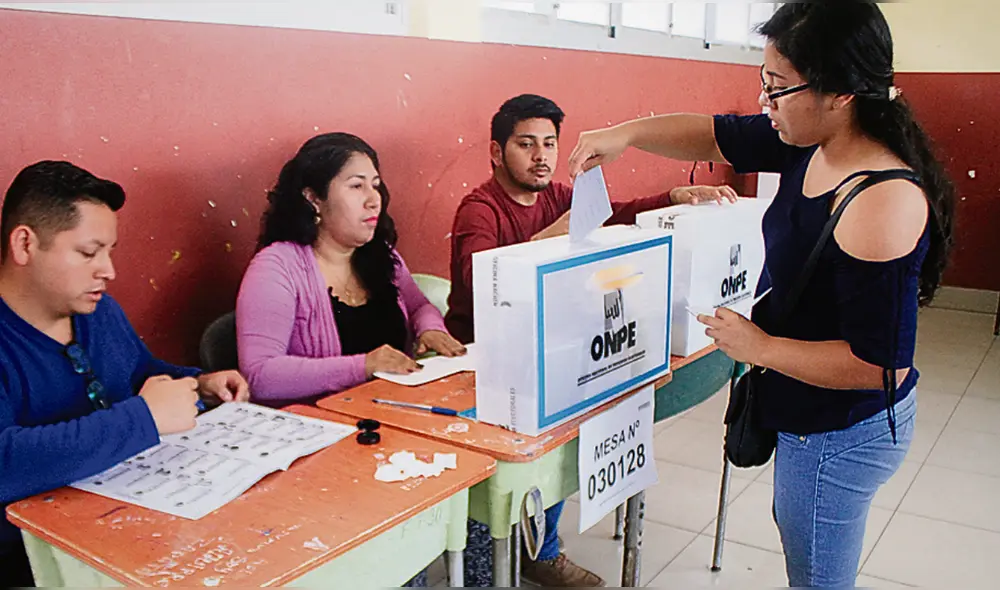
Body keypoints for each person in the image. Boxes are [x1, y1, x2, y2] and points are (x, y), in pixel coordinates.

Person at [567, 2, 955, 586]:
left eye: (776, 88)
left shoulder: (881, 200)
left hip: (841, 431)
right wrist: (627, 135)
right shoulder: (808, 138)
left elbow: (881, 367)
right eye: (762, 83)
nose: (764, 105)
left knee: (819, 572)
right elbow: (713, 133)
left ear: (840, 92)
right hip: (805, 411)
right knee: (801, 539)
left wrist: (759, 346)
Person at [445, 94, 737, 587]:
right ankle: (495, 558)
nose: (541, 156)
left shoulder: (560, 194)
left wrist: (672, 198)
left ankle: (541, 548)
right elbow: (484, 284)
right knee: (504, 471)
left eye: (550, 144)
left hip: (552, 354)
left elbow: (617, 213)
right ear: (496, 152)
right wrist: (558, 235)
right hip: (483, 364)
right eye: (526, 144)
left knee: (574, 432)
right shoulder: (479, 209)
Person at [0, 161, 250, 586]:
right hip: (34, 561)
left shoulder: (98, 312)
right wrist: (145, 418)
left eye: (110, 251)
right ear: (25, 244)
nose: (108, 271)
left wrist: (197, 383)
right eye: (87, 253)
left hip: (135, 523)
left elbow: (139, 373)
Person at [236, 132, 465, 405]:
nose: (373, 200)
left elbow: (419, 307)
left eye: (376, 185)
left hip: (393, 411)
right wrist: (364, 366)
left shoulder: (379, 254)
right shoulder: (276, 268)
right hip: (320, 427)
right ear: (313, 198)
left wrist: (430, 329)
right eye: (356, 186)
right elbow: (260, 375)